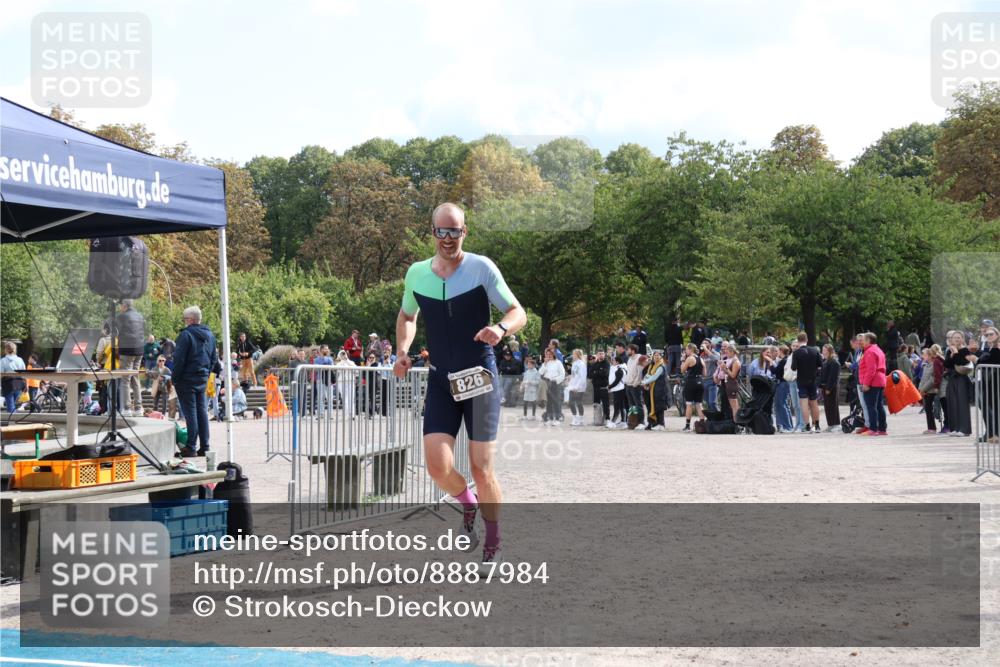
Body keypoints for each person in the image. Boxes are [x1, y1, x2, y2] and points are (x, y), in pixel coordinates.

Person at [392, 202, 526, 572]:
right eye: (441, 232)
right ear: (432, 232)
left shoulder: (481, 268)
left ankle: (494, 544)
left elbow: (517, 311)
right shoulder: (417, 274)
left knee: (482, 468)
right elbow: (407, 315)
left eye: (455, 232)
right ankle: (468, 503)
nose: (448, 239)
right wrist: (403, 351)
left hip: (479, 377)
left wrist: (500, 329)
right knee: (438, 467)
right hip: (440, 379)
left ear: (465, 231)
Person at [172, 306, 221, 457]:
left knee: (190, 413)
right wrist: (206, 373)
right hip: (202, 379)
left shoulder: (186, 335)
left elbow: (179, 359)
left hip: (186, 379)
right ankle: (205, 446)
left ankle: (191, 446)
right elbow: (214, 359)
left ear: (190, 320)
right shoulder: (210, 336)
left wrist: (175, 378)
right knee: (202, 412)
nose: (184, 322)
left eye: (185, 319)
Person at [115, 299, 146, 417]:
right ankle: (139, 408)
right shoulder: (140, 316)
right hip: (139, 350)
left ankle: (126, 408)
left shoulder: (121, 317)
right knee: (135, 377)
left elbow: (114, 332)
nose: (119, 308)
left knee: (125, 379)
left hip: (127, 351)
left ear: (124, 306)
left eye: (120, 306)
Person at [942, 330, 973, 437]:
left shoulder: (965, 350)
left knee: (962, 404)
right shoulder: (949, 350)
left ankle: (964, 429)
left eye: (959, 337)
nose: (956, 339)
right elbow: (946, 364)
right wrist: (952, 354)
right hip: (952, 378)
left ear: (962, 339)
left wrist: (955, 353)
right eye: (954, 338)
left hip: (961, 378)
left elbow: (961, 362)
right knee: (953, 403)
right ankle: (955, 428)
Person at [791, 332, 823, 433]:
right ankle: (817, 425)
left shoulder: (796, 353)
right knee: (814, 402)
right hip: (813, 380)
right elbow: (820, 364)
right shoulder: (814, 351)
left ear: (798, 340)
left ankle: (807, 425)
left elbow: (793, 367)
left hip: (801, 380)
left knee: (803, 404)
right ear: (807, 339)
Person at [858, 332, 888, 436]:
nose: (863, 342)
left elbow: (871, 369)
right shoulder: (878, 350)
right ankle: (882, 429)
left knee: (871, 406)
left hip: (873, 381)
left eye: (864, 340)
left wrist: (866, 384)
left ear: (869, 340)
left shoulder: (869, 351)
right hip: (880, 380)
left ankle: (873, 428)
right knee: (879, 405)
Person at [977, 326, 1000, 443]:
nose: (989, 336)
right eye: (987, 335)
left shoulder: (997, 348)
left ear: (997, 335)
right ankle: (991, 433)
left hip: (996, 381)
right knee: (988, 407)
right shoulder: (989, 348)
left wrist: (978, 360)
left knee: (995, 408)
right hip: (988, 382)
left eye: (992, 334)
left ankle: (996, 434)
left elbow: (991, 361)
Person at [918, 347, 944, 434]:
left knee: (929, 408)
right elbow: (923, 379)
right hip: (925, 390)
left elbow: (932, 379)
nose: (922, 356)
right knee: (927, 408)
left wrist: (923, 389)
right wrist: (920, 388)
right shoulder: (926, 365)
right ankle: (931, 427)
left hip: (930, 390)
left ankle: (932, 428)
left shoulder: (933, 365)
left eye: (924, 354)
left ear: (929, 356)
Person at [640, 351, 667, 431]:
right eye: (655, 355)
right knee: (654, 406)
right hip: (653, 389)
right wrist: (644, 381)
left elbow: (654, 377)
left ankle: (661, 424)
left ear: (661, 356)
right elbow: (649, 375)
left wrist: (644, 382)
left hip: (660, 389)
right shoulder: (652, 365)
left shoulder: (661, 366)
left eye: (658, 355)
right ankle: (655, 424)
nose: (656, 356)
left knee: (659, 407)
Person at [681, 344, 705, 431]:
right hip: (700, 382)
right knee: (699, 404)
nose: (685, 351)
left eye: (686, 349)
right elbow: (704, 374)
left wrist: (683, 360)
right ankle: (702, 424)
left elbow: (682, 370)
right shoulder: (701, 359)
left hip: (691, 382)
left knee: (689, 404)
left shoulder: (690, 358)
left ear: (691, 349)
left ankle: (687, 426)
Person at [540, 348, 566, 424]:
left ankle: (557, 419)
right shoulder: (546, 363)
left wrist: (555, 380)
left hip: (555, 383)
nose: (548, 356)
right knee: (549, 402)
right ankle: (550, 418)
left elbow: (562, 374)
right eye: (547, 354)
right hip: (547, 383)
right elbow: (540, 372)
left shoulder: (558, 363)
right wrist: (544, 363)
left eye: (550, 354)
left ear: (553, 354)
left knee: (556, 401)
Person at [819, 344, 841, 432]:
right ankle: (831, 424)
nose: (823, 352)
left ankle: (836, 424)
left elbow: (833, 377)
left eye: (824, 350)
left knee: (833, 405)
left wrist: (829, 388)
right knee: (828, 406)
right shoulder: (826, 361)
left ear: (829, 351)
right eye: (823, 350)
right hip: (825, 387)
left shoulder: (834, 362)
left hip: (831, 387)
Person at [1, 342, 26, 414]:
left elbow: (1, 373)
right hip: (19, 383)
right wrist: (26, 384)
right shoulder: (20, 360)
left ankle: (13, 421)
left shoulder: (3, 361)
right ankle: (13, 420)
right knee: (13, 404)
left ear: (6, 349)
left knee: (10, 406)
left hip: (7, 384)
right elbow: (24, 373)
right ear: (15, 349)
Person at [588, 349, 611, 427]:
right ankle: (597, 420)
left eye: (602, 354)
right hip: (596, 387)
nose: (601, 355)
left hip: (603, 387)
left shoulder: (607, 363)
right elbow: (590, 375)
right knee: (596, 404)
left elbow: (605, 374)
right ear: (597, 355)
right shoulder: (595, 364)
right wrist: (598, 372)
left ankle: (607, 419)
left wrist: (596, 373)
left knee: (605, 404)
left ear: (604, 355)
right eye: (599, 354)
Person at [624, 343, 645, 425]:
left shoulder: (639, 358)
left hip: (635, 386)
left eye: (628, 350)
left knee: (638, 404)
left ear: (633, 351)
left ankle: (641, 422)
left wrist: (636, 383)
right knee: (631, 405)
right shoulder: (629, 359)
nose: (627, 351)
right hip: (628, 385)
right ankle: (633, 422)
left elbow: (640, 373)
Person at [719, 343, 742, 420]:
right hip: (728, 383)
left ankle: (737, 423)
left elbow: (733, 375)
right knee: (733, 406)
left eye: (728, 352)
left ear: (732, 352)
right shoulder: (731, 360)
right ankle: (736, 422)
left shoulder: (736, 362)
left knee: (734, 406)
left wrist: (725, 368)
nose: (726, 354)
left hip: (732, 384)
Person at [567, 349, 588, 426]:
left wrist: (578, 387)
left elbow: (582, 377)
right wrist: (569, 380)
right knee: (570, 402)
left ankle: (581, 419)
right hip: (573, 385)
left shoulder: (581, 364)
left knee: (578, 402)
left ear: (578, 355)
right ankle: (574, 418)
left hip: (579, 386)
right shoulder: (574, 363)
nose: (573, 355)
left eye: (574, 354)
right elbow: (574, 375)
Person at [607, 354, 628, 428]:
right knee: (621, 406)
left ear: (617, 362)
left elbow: (617, 381)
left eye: (613, 361)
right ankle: (623, 421)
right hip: (617, 389)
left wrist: (610, 386)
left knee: (618, 406)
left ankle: (613, 422)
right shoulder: (616, 368)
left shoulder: (619, 370)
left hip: (620, 390)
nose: (612, 362)